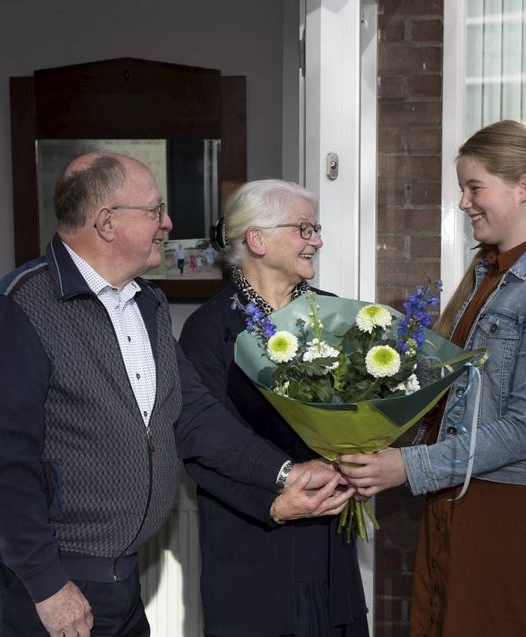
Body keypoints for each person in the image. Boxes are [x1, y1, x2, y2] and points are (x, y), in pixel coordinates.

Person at [0, 154, 352, 637]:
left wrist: (286, 473)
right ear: (107, 221)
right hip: (52, 582)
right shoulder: (23, 305)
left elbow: (195, 419)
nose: (168, 223)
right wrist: (48, 586)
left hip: (123, 575)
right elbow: (3, 462)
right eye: (155, 211)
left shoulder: (146, 302)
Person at [340, 120, 526, 636]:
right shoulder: (488, 274)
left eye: (474, 187)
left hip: (517, 510)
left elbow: (525, 429)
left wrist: (408, 466)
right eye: (462, 189)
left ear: (523, 188)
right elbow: (455, 400)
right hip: (465, 497)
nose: (465, 202)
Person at [179, 179, 369, 637]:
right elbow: (201, 449)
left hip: (330, 551)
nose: (317, 240)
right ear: (257, 240)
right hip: (255, 552)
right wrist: (275, 504)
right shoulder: (208, 330)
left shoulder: (336, 317)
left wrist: (364, 460)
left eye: (316, 229)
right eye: (304, 228)